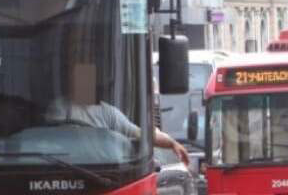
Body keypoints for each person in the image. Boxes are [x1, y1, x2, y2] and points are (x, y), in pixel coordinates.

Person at [45, 62, 189, 165]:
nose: (84, 82)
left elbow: (140, 133)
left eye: (88, 77)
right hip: (67, 168)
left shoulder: (108, 113)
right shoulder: (60, 108)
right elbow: (53, 143)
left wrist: (172, 143)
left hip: (103, 171)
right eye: (79, 77)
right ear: (72, 82)